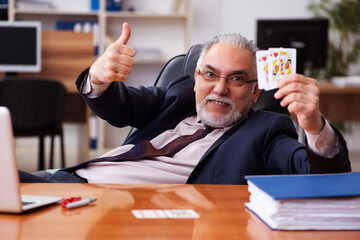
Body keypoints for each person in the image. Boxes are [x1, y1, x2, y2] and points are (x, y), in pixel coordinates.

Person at [19, 23, 351, 184]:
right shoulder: (175, 98)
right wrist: (100, 76)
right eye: (210, 74)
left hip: (120, 209)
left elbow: (322, 177)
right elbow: (120, 107)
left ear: (254, 92)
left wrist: (315, 126)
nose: (219, 88)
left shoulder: (266, 131)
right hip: (70, 182)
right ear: (196, 77)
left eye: (236, 79)